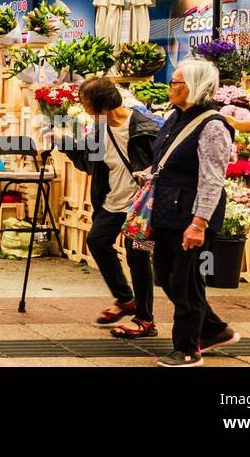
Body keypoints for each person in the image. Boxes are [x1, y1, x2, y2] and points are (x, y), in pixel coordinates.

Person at [146, 58, 238, 366]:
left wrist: (199, 224)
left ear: (195, 87)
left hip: (192, 216)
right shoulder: (175, 117)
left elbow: (212, 178)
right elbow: (168, 160)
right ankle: (213, 329)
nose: (170, 87)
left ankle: (187, 348)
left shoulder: (212, 126)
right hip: (166, 211)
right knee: (167, 276)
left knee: (187, 281)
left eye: (176, 83)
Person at [63, 78, 159, 338]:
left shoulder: (145, 129)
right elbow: (88, 163)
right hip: (113, 201)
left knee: (137, 255)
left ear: (103, 106)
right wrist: (66, 144)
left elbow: (162, 165)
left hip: (142, 207)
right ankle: (126, 299)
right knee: (97, 241)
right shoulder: (98, 130)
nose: (85, 111)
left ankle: (145, 319)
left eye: (87, 106)